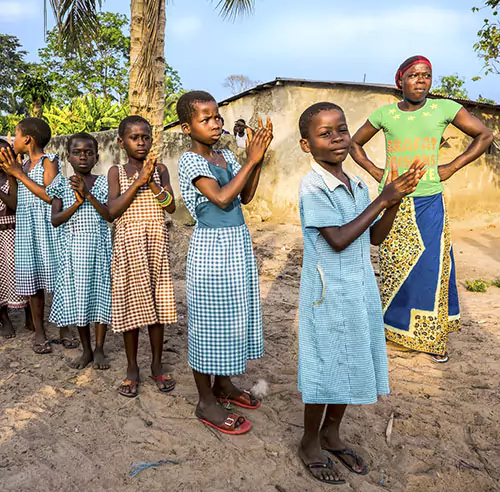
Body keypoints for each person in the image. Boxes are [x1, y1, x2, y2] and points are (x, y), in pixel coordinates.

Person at [297, 101, 425, 485]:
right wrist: (383, 199)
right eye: (325, 133)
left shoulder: (358, 183)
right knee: (324, 364)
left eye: (342, 129)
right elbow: (336, 239)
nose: (337, 138)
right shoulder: (312, 186)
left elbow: (374, 238)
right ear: (307, 145)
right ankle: (308, 442)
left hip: (358, 288)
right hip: (326, 292)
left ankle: (331, 433)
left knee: (351, 357)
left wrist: (393, 202)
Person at [350, 55, 493, 362]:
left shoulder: (444, 109)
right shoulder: (385, 114)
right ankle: (395, 330)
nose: (420, 81)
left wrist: (452, 166)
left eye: (426, 76)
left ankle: (430, 339)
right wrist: (379, 173)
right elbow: (354, 144)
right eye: (413, 75)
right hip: (391, 202)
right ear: (399, 80)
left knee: (431, 267)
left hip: (429, 200)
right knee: (395, 266)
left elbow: (484, 135)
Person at [177, 91, 272, 435]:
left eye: (217, 116)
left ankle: (223, 385)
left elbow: (245, 195)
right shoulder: (190, 161)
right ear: (188, 127)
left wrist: (254, 160)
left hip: (237, 244)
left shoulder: (225, 155)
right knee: (208, 322)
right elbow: (220, 197)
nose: (215, 123)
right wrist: (251, 160)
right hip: (212, 248)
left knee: (231, 317)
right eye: (205, 119)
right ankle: (205, 399)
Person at [108, 115, 177, 397]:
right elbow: (113, 211)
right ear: (121, 141)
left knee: (158, 306)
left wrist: (151, 181)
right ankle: (132, 367)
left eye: (146, 137)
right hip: (129, 245)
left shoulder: (160, 170)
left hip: (155, 244)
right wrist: (138, 182)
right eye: (134, 137)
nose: (141, 142)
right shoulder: (117, 172)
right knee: (131, 306)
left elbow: (170, 206)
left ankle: (157, 364)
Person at [0, 118, 76, 354]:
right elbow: (14, 202)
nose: (13, 140)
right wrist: (12, 174)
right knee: (33, 280)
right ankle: (40, 331)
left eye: (16, 134)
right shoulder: (19, 167)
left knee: (59, 276)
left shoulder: (49, 161)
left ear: (28, 139)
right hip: (26, 229)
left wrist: (18, 175)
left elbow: (52, 196)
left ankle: (65, 326)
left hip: (48, 227)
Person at [48, 132, 112, 369]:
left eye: (88, 153)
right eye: (77, 152)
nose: (83, 157)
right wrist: (76, 201)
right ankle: (86, 350)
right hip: (73, 251)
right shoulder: (60, 184)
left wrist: (87, 194)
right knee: (80, 300)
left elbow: (109, 214)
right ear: (68, 156)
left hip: (100, 249)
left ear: (96, 157)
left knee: (101, 298)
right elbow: (55, 219)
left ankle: (100, 349)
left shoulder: (104, 181)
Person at [0, 139, 30, 338]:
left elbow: (14, 203)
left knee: (22, 274)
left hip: (15, 233)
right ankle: (5, 318)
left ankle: (30, 315)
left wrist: (11, 174)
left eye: (6, 153)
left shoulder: (16, 176)